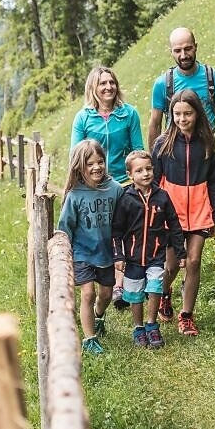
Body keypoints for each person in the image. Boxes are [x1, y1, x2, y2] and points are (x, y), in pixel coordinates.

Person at [69, 65, 144, 310]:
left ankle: (120, 286)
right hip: (93, 184)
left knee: (122, 232)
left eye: (111, 82)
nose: (108, 87)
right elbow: (75, 155)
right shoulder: (83, 118)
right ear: (93, 87)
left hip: (123, 183)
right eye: (103, 83)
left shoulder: (129, 114)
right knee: (101, 231)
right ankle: (101, 276)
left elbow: (137, 149)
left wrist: (138, 180)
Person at [152, 88, 215, 337]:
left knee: (193, 261)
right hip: (172, 214)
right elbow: (154, 182)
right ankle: (164, 294)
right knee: (171, 266)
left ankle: (187, 316)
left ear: (197, 114)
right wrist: (156, 213)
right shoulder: (162, 144)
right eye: (177, 114)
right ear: (171, 115)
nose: (182, 119)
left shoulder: (207, 143)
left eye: (187, 114)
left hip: (200, 210)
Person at [146, 27, 215, 191]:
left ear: (196, 47)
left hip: (206, 153)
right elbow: (154, 124)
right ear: (171, 52)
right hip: (174, 156)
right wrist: (154, 167)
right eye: (177, 50)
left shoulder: (214, 78)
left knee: (208, 200)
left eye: (188, 48)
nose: (183, 55)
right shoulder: (162, 84)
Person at [56, 139, 123, 355]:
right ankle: (89, 338)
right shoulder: (75, 195)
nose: (96, 167)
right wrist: (64, 253)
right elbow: (65, 227)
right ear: (79, 166)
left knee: (106, 294)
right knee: (87, 293)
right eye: (90, 164)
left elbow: (123, 220)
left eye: (100, 162)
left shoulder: (115, 190)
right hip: (82, 253)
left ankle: (98, 315)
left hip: (106, 252)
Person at [111, 149, 180, 349]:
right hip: (133, 258)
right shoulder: (125, 199)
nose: (145, 173)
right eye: (139, 170)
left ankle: (152, 325)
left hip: (156, 255)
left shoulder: (162, 197)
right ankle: (139, 328)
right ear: (130, 174)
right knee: (135, 294)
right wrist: (118, 255)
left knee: (156, 286)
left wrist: (180, 252)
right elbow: (116, 230)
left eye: (148, 169)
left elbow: (174, 224)